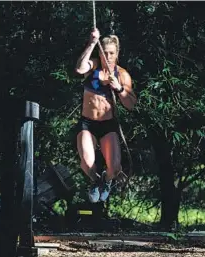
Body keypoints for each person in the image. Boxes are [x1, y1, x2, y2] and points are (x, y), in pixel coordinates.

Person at [75, 28, 137, 203]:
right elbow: (79, 68)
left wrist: (119, 88)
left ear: (117, 54)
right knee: (86, 162)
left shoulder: (122, 74)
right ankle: (95, 181)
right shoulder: (92, 67)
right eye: (105, 53)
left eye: (112, 53)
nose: (108, 57)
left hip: (108, 124)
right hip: (88, 123)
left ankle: (107, 181)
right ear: (100, 54)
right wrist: (92, 43)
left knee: (115, 168)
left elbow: (131, 105)